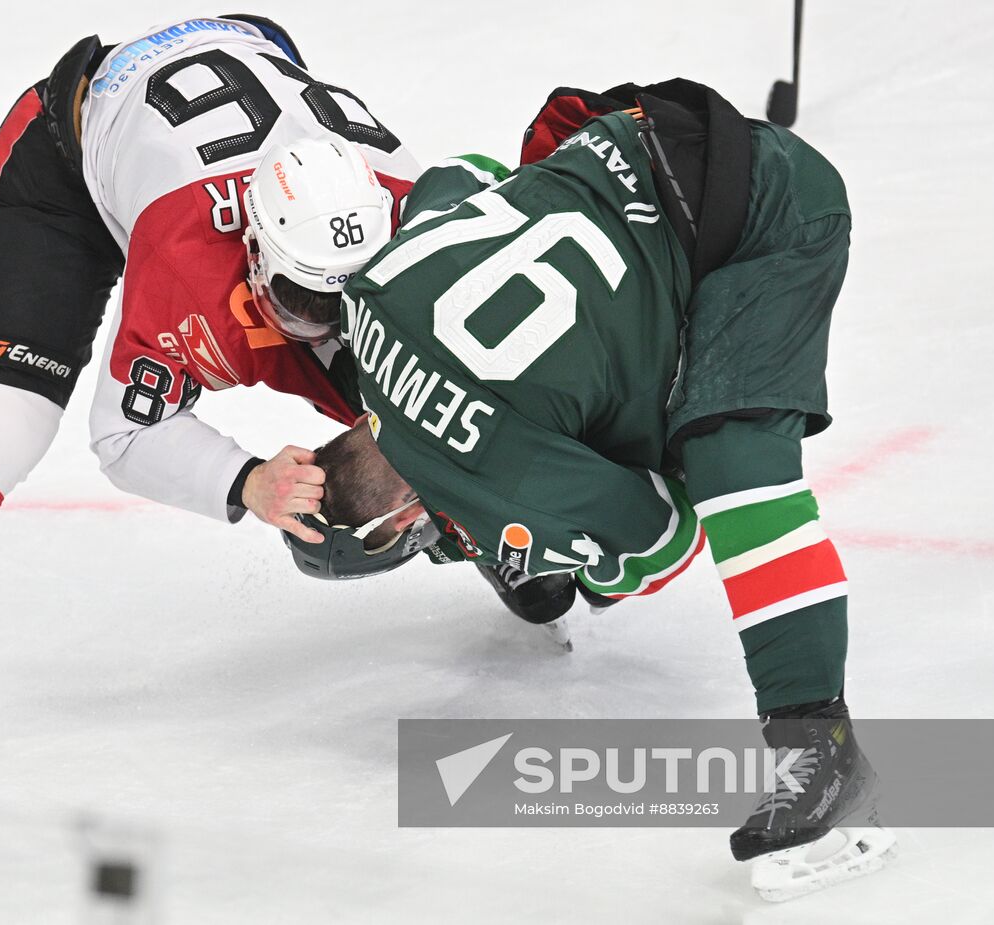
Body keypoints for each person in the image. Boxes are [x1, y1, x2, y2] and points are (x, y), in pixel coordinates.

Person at [0, 15, 419, 823]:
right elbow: (125, 431)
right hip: (71, 161)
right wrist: (250, 482)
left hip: (225, 82)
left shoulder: (418, 215)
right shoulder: (193, 254)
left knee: (424, 385)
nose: (326, 323)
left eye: (348, 299)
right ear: (256, 251)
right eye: (303, 302)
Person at [282, 80, 897, 899]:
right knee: (609, 382)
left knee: (732, 468)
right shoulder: (368, 300)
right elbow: (460, 175)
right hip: (642, 144)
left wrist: (571, 558)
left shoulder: (481, 465)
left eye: (427, 543)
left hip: (768, 221)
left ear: (395, 527)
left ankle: (823, 748)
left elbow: (662, 536)